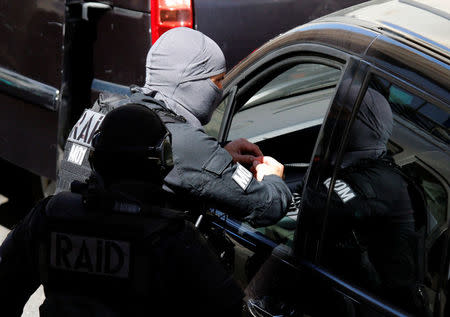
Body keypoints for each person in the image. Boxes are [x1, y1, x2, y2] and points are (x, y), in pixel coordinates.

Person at [0, 105, 244, 316]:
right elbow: (228, 307)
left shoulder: (51, 216)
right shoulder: (173, 237)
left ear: (97, 158)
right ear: (158, 163)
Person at [57, 27, 292, 228]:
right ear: (190, 81)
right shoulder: (181, 140)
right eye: (218, 81)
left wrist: (220, 153)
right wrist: (273, 179)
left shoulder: (102, 111)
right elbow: (267, 206)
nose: (221, 90)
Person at [301, 88, 430, 316]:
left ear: (365, 124)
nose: (330, 117)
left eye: (341, 113)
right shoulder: (382, 170)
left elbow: (299, 210)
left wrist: (273, 178)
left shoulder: (372, 183)